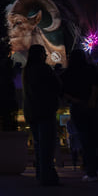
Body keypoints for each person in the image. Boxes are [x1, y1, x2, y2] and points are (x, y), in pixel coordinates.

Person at [61, 49, 98, 182]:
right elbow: (97, 84)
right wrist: (93, 100)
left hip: (78, 108)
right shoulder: (91, 69)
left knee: (86, 140)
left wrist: (76, 100)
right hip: (95, 107)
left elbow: (62, 91)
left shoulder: (67, 73)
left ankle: (91, 172)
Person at [22, 44, 61, 186]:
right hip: (45, 110)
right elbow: (57, 87)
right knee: (47, 146)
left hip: (32, 112)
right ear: (40, 55)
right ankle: (47, 176)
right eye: (44, 53)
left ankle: (41, 174)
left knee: (39, 145)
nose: (45, 55)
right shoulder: (43, 69)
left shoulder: (27, 71)